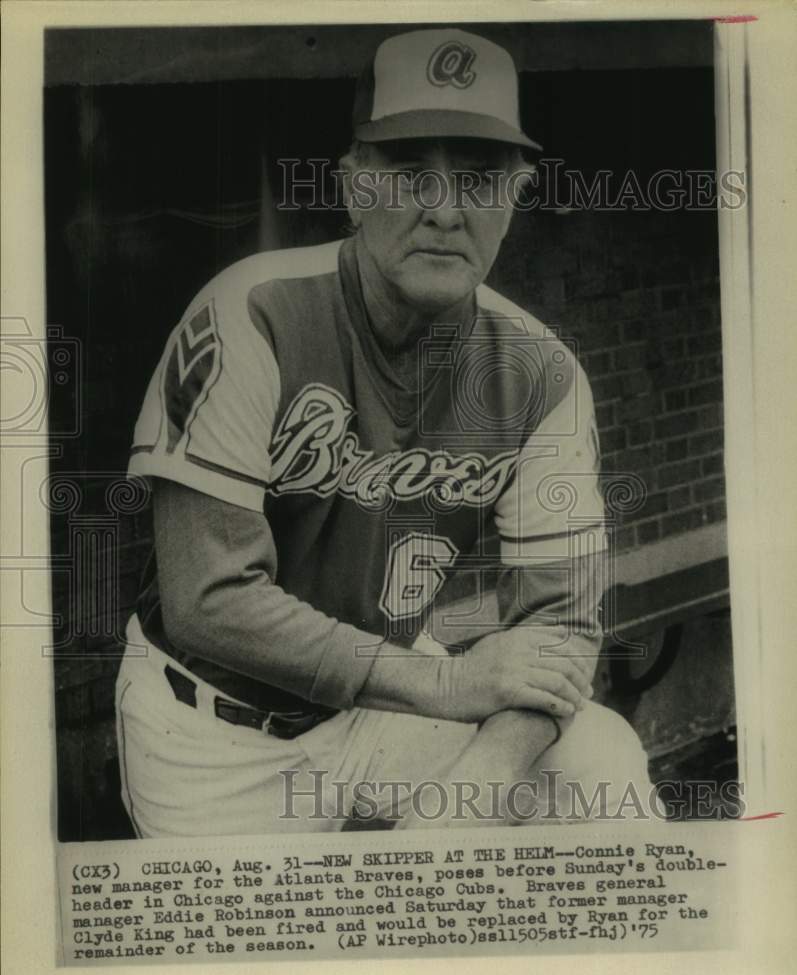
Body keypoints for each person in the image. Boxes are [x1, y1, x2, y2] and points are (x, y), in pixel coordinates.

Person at [117, 27, 657, 837]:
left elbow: (563, 624)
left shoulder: (542, 372)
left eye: (478, 179)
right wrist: (447, 686)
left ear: (515, 197)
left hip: (382, 712)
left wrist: (481, 777)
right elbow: (209, 600)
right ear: (353, 185)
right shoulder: (254, 313)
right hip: (217, 733)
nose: (444, 210)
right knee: (260, 924)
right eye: (409, 173)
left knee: (597, 761)